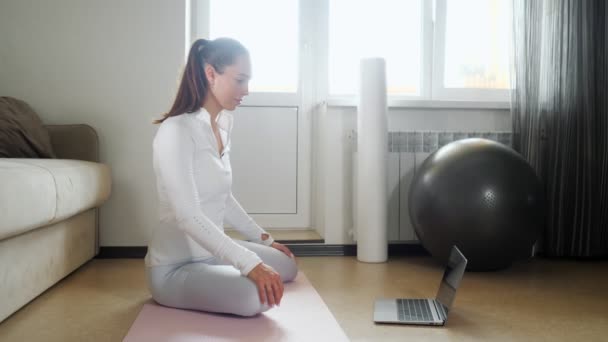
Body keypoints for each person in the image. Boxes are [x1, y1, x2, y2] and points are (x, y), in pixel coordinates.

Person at [146, 37, 298, 317]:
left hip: (211, 253)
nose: (247, 90)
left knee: (286, 266)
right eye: (240, 80)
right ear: (210, 74)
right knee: (258, 297)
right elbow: (188, 216)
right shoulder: (176, 130)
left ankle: (236, 264)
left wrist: (263, 240)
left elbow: (223, 197)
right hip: (175, 267)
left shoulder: (222, 125)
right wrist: (249, 263)